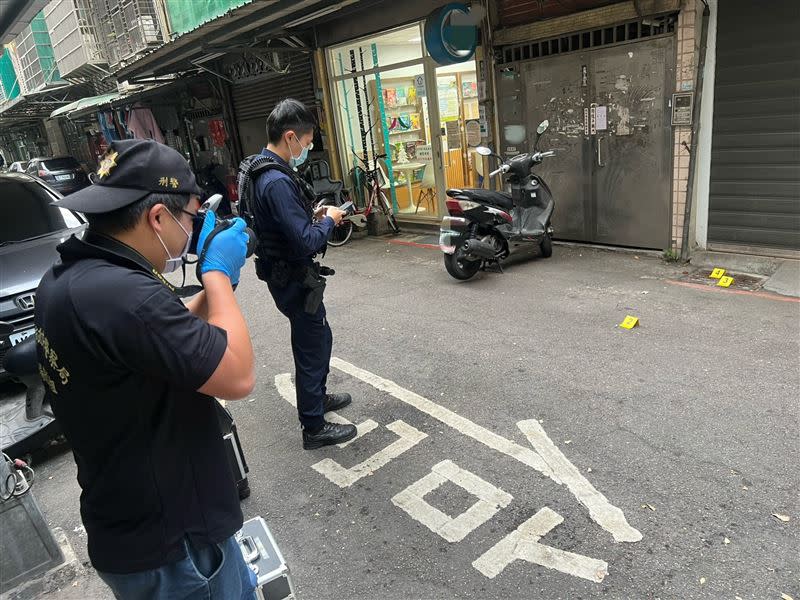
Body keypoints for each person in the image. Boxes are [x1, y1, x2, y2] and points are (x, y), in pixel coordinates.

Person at [34, 139, 257, 599]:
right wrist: (214, 274)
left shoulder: (75, 278)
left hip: (128, 525)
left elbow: (160, 337)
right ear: (158, 217)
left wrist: (216, 292)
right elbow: (237, 376)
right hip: (177, 550)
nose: (190, 233)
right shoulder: (125, 296)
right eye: (191, 219)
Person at [251, 98, 356, 449]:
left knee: (318, 339)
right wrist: (329, 219)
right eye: (307, 143)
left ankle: (318, 399)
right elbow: (305, 242)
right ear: (291, 137)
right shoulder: (276, 181)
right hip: (294, 278)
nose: (307, 150)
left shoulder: (258, 169)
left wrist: (312, 213)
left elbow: (284, 225)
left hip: (281, 274)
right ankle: (313, 426)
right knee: (311, 345)